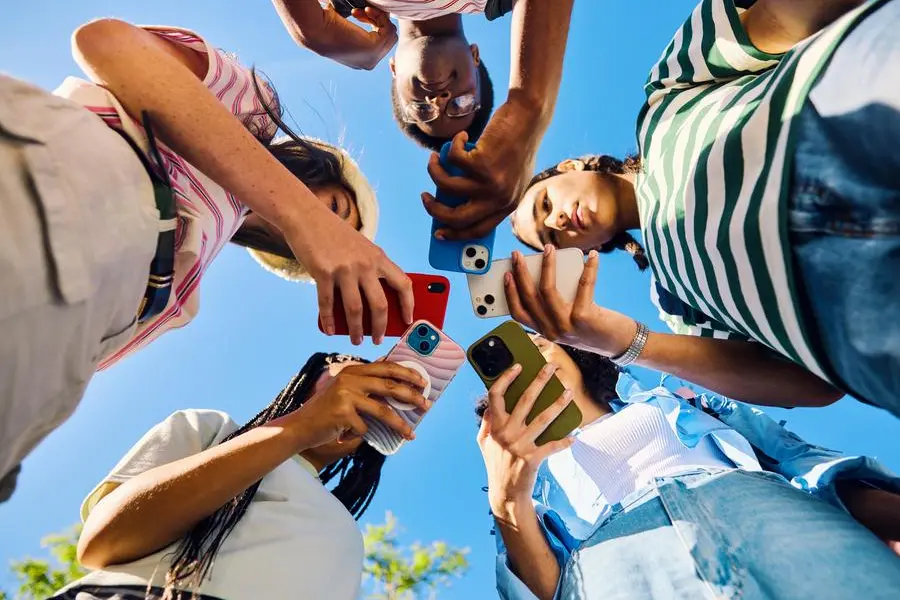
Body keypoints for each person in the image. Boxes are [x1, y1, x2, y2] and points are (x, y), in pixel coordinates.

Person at [0, 19, 411, 504]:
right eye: (336, 210)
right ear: (322, 171)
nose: (328, 235)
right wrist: (304, 215)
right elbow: (104, 43)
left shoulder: (187, 291)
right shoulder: (255, 113)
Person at [509, 0, 900, 417]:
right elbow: (812, 386)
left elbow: (780, 16)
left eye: (545, 204)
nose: (557, 221)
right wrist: (622, 342)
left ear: (570, 166)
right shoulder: (673, 302)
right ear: (583, 252)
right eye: (551, 239)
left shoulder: (665, 99)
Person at [476, 335, 900, 600]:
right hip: (621, 572)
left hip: (763, 512)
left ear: (573, 353)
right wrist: (507, 498)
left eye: (538, 348)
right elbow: (547, 591)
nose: (529, 368)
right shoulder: (525, 471)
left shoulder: (675, 398)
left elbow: (794, 459)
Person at [50, 353, 430, 600]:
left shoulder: (346, 532)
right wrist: (300, 428)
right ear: (305, 383)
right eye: (351, 377)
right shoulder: (212, 430)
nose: (365, 397)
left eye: (379, 400)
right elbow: (103, 542)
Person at [273, 0, 574, 238]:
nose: (439, 102)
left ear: (394, 72)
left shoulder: (339, 7)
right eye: (462, 104)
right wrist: (527, 108)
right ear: (474, 56)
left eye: (422, 111)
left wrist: (310, 28)